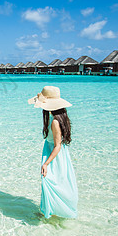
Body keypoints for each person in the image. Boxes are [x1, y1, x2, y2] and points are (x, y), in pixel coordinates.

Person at [28, 86, 78, 219]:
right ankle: (50, 211)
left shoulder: (55, 122)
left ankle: (50, 212)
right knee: (56, 182)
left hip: (54, 154)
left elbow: (57, 146)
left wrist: (46, 163)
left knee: (50, 182)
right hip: (55, 153)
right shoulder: (57, 117)